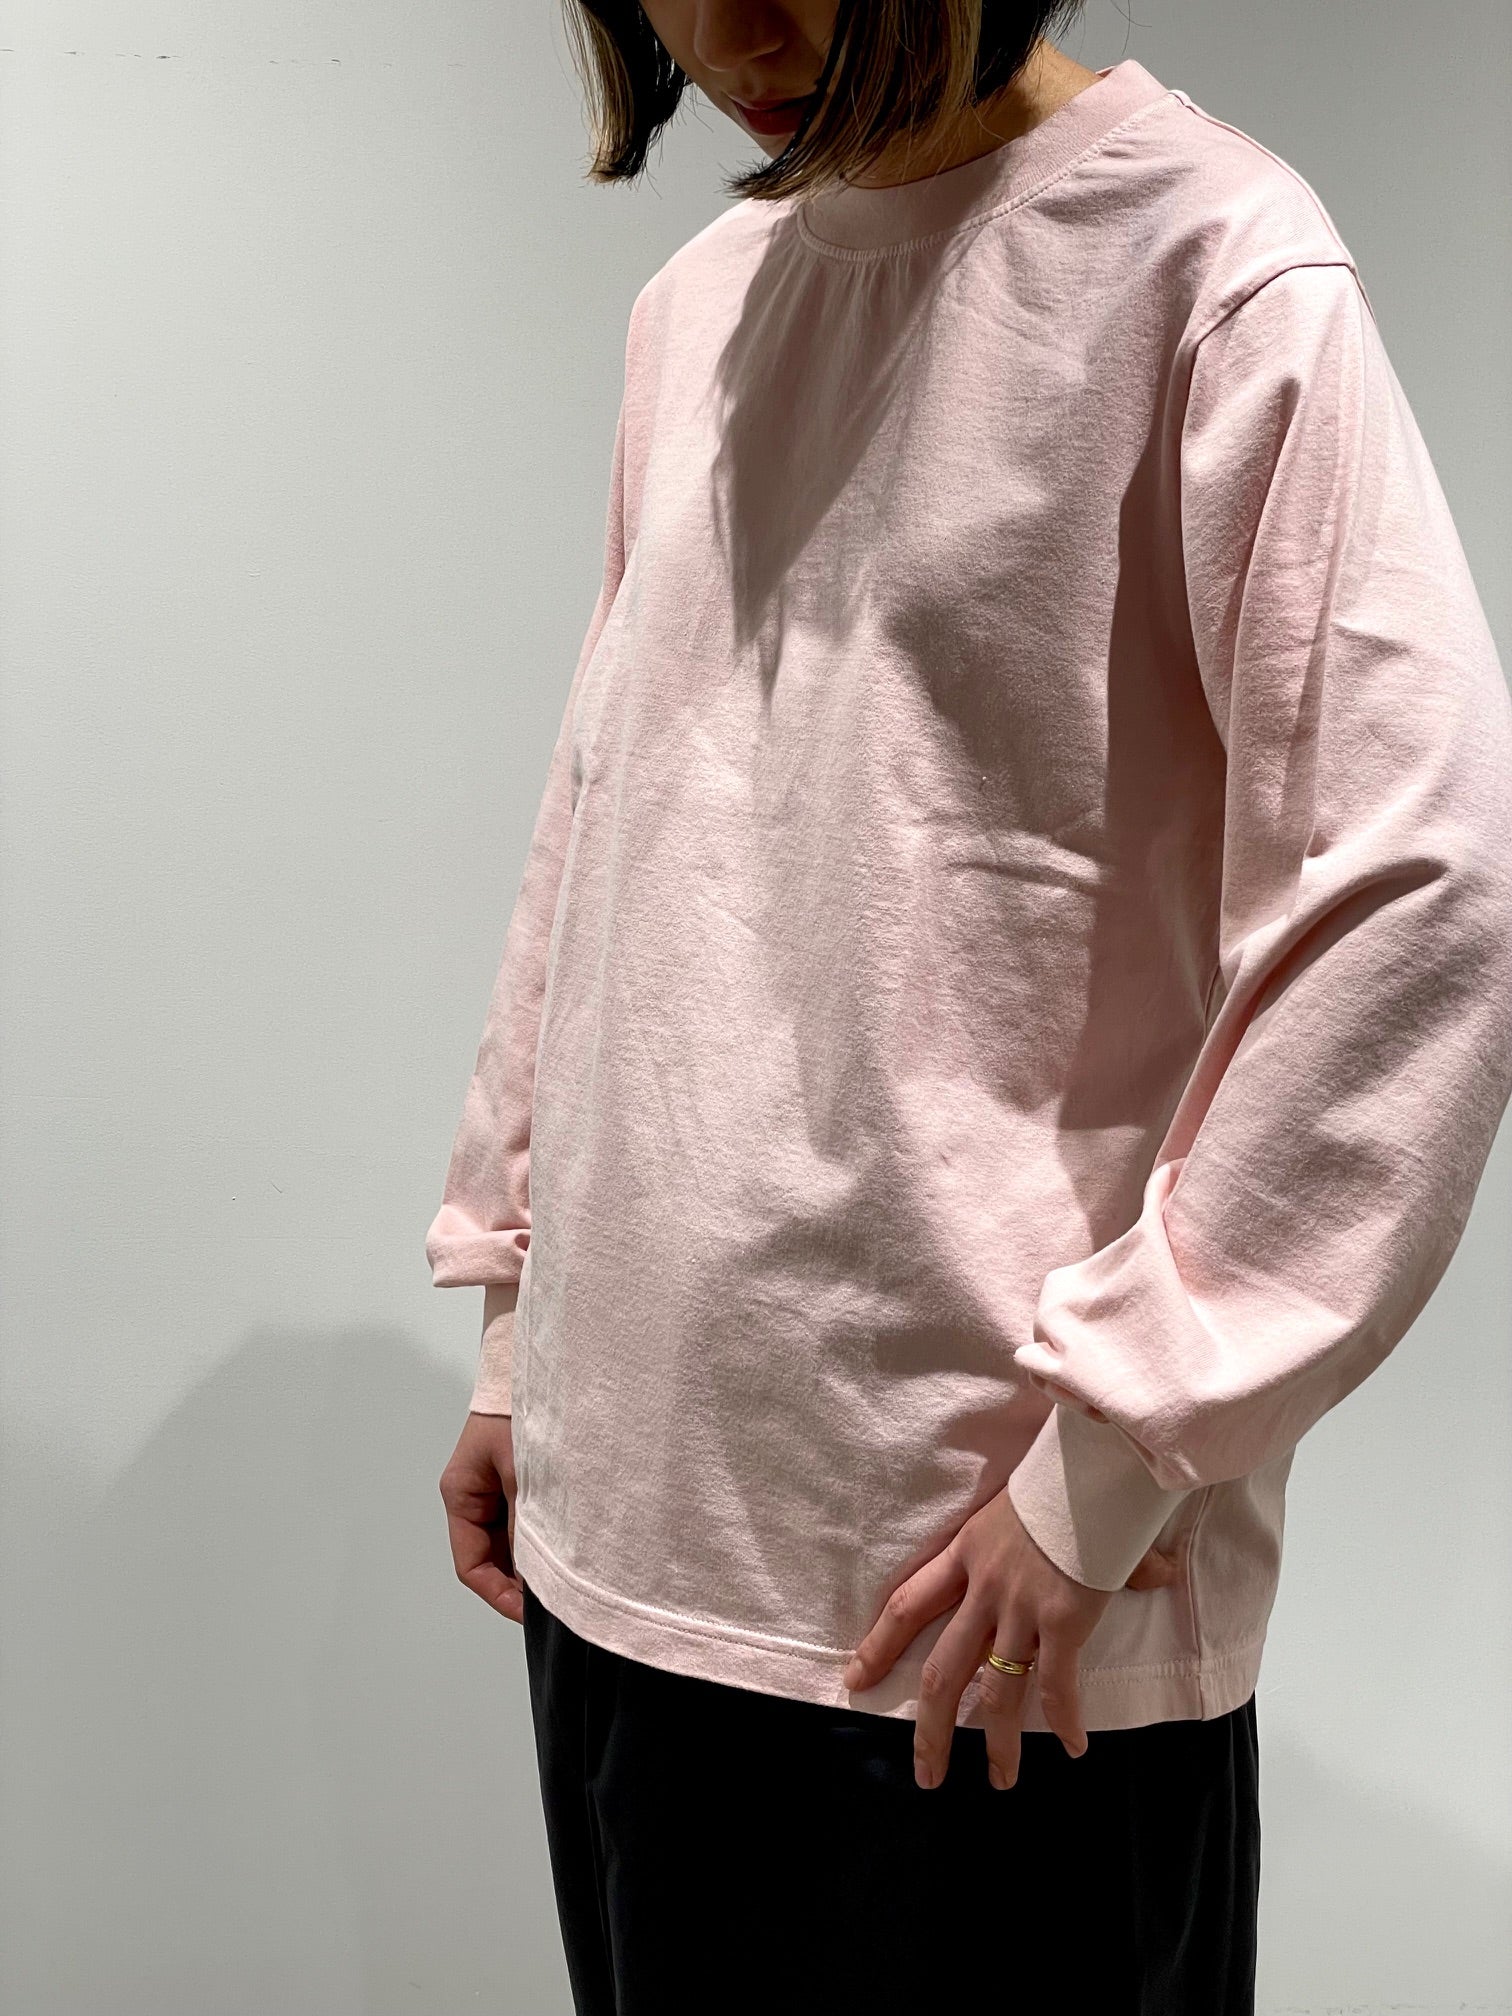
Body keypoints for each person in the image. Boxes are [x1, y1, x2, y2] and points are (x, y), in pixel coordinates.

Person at [429, 5, 1512, 2010]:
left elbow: (1420, 886)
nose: (732, 27)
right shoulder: (704, 303)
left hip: (975, 1590)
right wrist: (522, 1328)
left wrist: (1115, 1458)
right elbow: (613, 816)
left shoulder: (1210, 261)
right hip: (628, 1533)